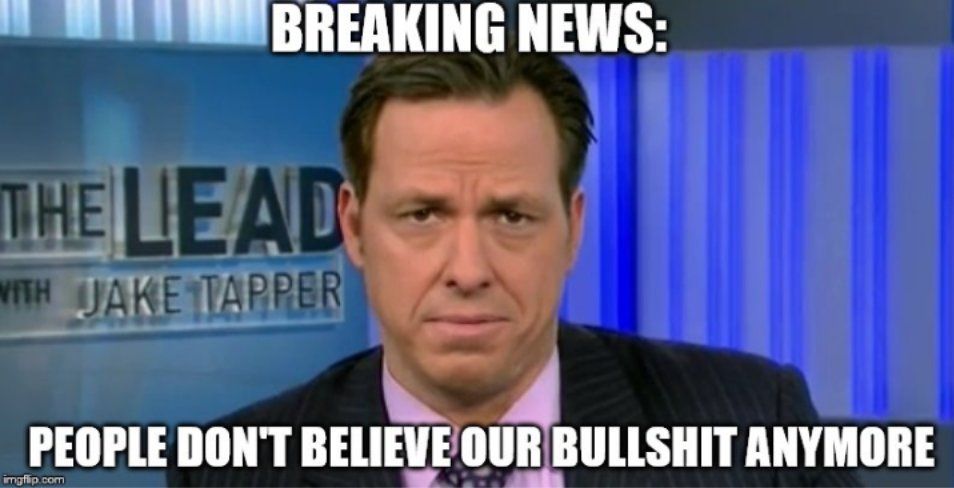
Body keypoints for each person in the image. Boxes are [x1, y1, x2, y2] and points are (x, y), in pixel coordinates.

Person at [167, 50, 860, 487]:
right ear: (353, 227)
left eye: (512, 216)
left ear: (572, 230)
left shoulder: (754, 428)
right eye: (422, 215)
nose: (468, 270)